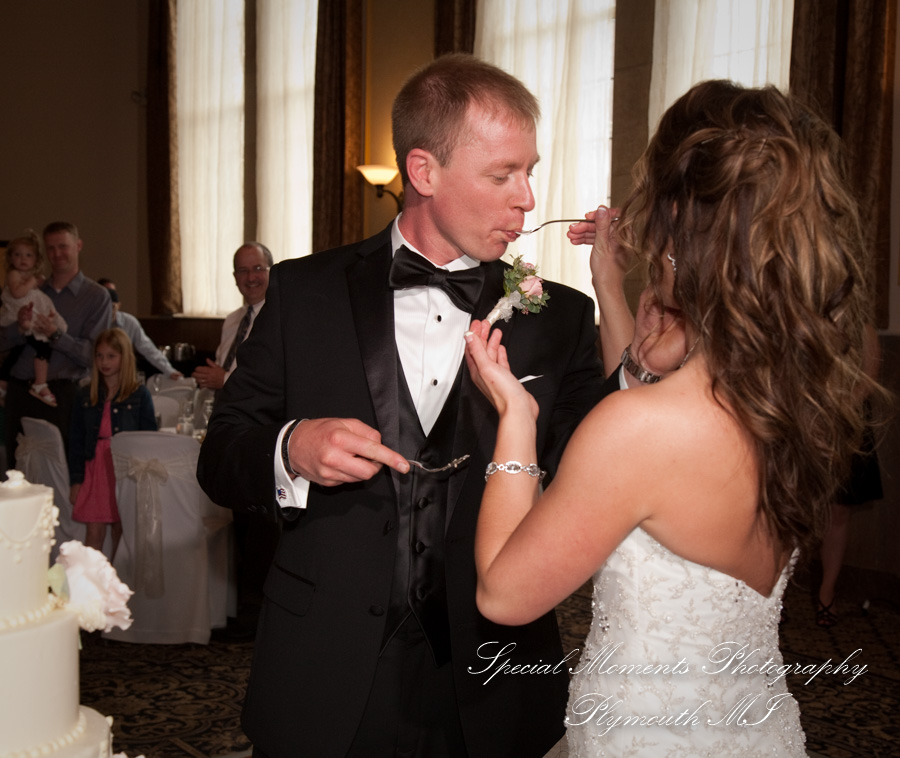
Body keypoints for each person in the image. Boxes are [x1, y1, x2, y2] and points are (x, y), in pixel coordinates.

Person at [197, 54, 607, 758]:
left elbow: (593, 480)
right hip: (325, 664)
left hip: (493, 671)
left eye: (530, 171)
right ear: (424, 172)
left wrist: (623, 294)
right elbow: (221, 455)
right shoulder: (304, 293)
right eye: (503, 174)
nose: (529, 200)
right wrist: (289, 448)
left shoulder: (559, 317)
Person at [464, 80, 881, 757]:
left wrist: (516, 416)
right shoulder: (798, 400)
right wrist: (613, 284)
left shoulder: (637, 429)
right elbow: (659, 386)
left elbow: (503, 595)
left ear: (678, 226)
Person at [0, 221, 111, 465]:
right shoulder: (28, 289)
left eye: (63, 246)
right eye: (50, 248)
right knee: (15, 472)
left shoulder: (96, 296)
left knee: (61, 474)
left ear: (78, 246)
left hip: (63, 396)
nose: (57, 254)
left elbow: (95, 356)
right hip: (19, 392)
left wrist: (56, 335)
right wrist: (19, 328)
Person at [816, 322, 884, 627]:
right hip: (802, 418)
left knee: (838, 510)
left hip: (847, 424)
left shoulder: (862, 324)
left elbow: (869, 377)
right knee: (787, 509)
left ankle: (826, 593)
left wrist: (839, 411)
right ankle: (775, 592)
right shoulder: (795, 308)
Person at [68, 327, 157, 559]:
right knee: (94, 532)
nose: (104, 362)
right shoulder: (86, 394)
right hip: (96, 468)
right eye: (99, 356)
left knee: (122, 530)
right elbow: (76, 439)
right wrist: (76, 480)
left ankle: (116, 582)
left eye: (111, 356)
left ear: (124, 358)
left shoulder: (139, 395)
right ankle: (89, 583)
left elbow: (148, 438)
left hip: (124, 469)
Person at [0, 229, 68, 406]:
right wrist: (32, 282)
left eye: (28, 255)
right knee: (43, 347)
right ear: (10, 258)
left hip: (27, 320)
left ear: (36, 260)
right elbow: (17, 293)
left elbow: (36, 300)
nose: (22, 259)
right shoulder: (14, 275)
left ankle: (3, 381)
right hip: (15, 317)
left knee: (18, 352)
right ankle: (40, 383)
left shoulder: (33, 281)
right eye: (17, 255)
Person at [192, 242, 272, 391]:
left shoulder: (279, 320)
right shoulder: (232, 320)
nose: (251, 277)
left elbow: (272, 378)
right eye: (243, 270)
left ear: (271, 272)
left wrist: (224, 379)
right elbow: (222, 367)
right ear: (235, 277)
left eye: (258, 269)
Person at [97, 278, 182, 380]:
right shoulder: (91, 323)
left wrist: (170, 371)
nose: (108, 312)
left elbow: (148, 349)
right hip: (97, 376)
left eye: (112, 307)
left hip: (124, 377)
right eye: (103, 307)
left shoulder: (129, 322)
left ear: (119, 306)